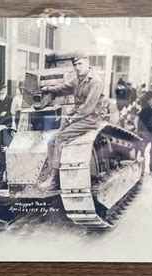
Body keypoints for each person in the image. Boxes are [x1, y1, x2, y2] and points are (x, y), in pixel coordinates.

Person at [39, 53, 104, 189]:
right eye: (75, 65)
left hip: (90, 119)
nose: (77, 67)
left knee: (59, 139)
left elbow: (88, 107)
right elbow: (63, 87)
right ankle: (51, 172)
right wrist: (48, 89)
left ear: (87, 63)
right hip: (78, 116)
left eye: (80, 64)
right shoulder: (77, 79)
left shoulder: (95, 81)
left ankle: (54, 180)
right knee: (51, 141)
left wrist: (71, 119)